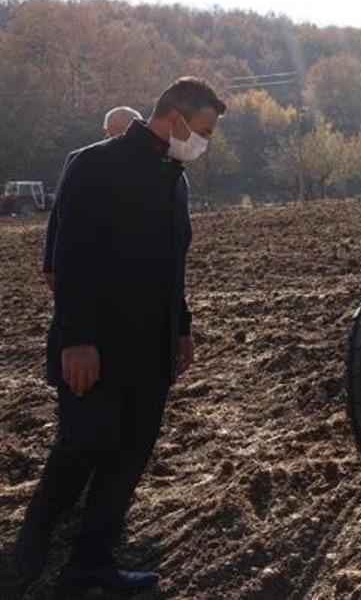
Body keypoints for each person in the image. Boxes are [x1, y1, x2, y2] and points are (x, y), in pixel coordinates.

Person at [12, 78, 225, 595]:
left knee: (130, 454)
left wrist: (183, 329)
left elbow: (173, 265)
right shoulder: (94, 165)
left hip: (151, 351)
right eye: (202, 131)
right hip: (96, 348)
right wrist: (78, 339)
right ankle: (35, 530)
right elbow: (70, 259)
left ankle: (91, 562)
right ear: (174, 116)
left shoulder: (174, 180)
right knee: (84, 442)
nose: (204, 142)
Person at [42, 106, 144, 291]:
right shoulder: (81, 160)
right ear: (106, 132)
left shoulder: (153, 166)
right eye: (116, 134)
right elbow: (58, 214)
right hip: (89, 256)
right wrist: (50, 264)